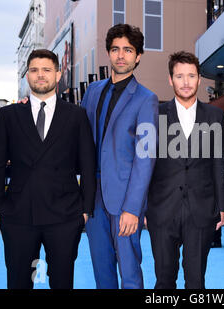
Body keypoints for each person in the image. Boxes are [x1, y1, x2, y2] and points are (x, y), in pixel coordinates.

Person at [0, 49, 96, 289]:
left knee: (62, 283)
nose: (40, 75)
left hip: (65, 216)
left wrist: (85, 210)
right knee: (18, 282)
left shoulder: (76, 116)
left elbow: (88, 165)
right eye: (34, 70)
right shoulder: (8, 115)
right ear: (27, 76)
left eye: (46, 70)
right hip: (18, 215)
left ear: (58, 74)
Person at [80, 24, 159, 289]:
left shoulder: (147, 99)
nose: (121, 55)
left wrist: (132, 208)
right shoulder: (92, 92)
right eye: (115, 49)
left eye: (128, 50)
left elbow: (145, 157)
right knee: (102, 273)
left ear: (138, 56)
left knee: (130, 274)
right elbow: (75, 134)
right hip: (92, 197)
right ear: (109, 54)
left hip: (125, 198)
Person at [146, 51, 224, 289]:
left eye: (191, 76)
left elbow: (219, 161)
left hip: (201, 209)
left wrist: (222, 206)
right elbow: (145, 164)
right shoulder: (155, 114)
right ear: (170, 80)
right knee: (163, 280)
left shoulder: (215, 114)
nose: (186, 82)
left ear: (199, 79)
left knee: (196, 281)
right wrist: (142, 206)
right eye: (179, 76)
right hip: (162, 209)